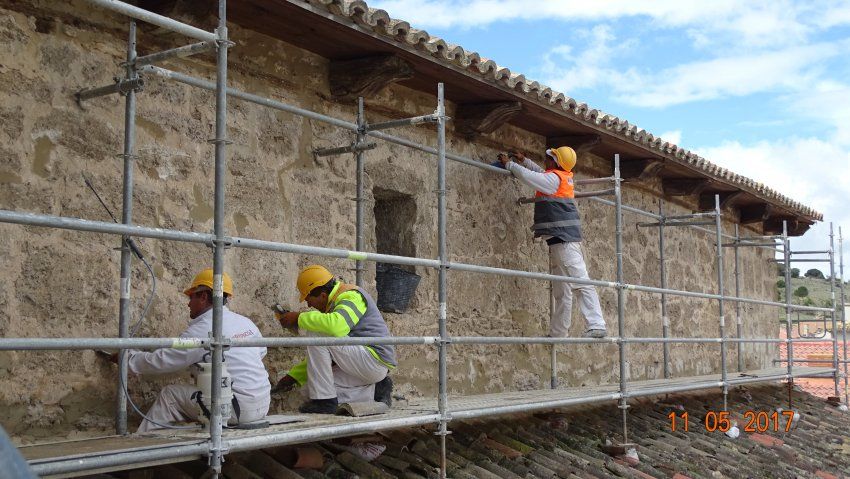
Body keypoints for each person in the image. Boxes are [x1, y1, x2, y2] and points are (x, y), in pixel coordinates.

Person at [123, 268, 270, 432]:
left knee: (169, 396)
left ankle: (144, 450)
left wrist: (126, 359)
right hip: (262, 405)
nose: (188, 303)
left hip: (234, 409)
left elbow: (162, 361)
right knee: (206, 390)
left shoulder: (201, 330)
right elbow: (261, 352)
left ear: (203, 297)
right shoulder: (246, 323)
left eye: (191, 296)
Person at [499, 147, 607, 338]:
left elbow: (529, 177)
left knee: (580, 282)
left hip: (564, 241)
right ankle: (558, 333)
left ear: (556, 162)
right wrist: (524, 160)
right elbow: (539, 173)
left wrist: (510, 164)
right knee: (562, 290)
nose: (546, 159)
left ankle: (597, 325)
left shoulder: (554, 180)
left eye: (549, 158)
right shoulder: (558, 177)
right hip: (558, 242)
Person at [273, 265, 396, 414]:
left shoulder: (351, 295)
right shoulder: (333, 306)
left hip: (374, 360)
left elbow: (336, 327)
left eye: (308, 299)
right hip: (362, 364)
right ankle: (374, 390)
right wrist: (293, 377)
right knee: (309, 389)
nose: (308, 304)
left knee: (317, 331)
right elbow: (320, 359)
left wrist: (299, 317)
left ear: (323, 295)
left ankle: (325, 402)